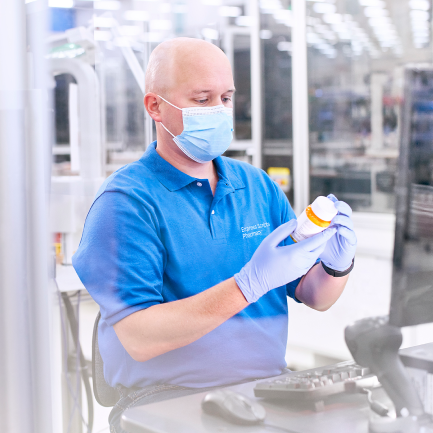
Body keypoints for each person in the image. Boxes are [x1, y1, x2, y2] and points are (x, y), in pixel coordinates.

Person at [73, 37, 357, 432]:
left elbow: (314, 295)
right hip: (167, 400)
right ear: (155, 106)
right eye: (202, 99)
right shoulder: (126, 203)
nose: (220, 111)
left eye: (226, 98)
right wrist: (247, 284)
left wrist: (336, 266)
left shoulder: (256, 186)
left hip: (267, 391)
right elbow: (140, 337)